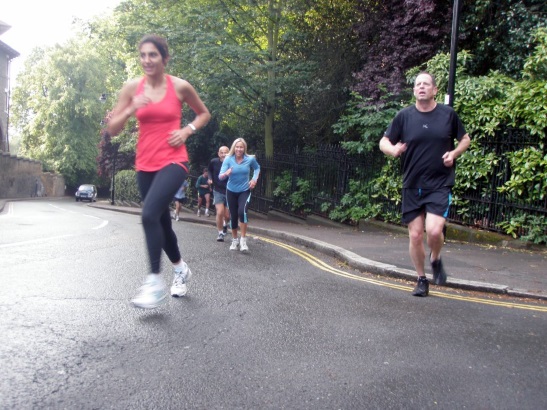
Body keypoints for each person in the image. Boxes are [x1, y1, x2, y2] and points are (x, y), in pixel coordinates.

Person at [106, 34, 211, 308]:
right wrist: (130, 109)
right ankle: (180, 268)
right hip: (145, 165)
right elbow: (113, 128)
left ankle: (154, 281)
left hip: (174, 161)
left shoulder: (180, 87)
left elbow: (203, 114)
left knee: (149, 214)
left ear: (164, 58)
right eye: (142, 55)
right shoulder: (132, 88)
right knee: (161, 223)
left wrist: (188, 130)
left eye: (152, 55)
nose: (146, 60)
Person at [379, 71, 471, 297]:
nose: (421, 87)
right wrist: (393, 150)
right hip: (412, 184)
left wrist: (454, 153)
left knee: (434, 230)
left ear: (434, 90)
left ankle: (436, 258)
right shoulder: (404, 116)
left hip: (440, 183)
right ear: (414, 91)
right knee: (416, 235)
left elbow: (465, 139)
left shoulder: (447, 115)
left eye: (426, 84)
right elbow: (384, 141)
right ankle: (421, 279)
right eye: (418, 84)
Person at [219, 138, 260, 252]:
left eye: (241, 147)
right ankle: (235, 239)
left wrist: (253, 180)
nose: (239, 149)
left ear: (244, 148)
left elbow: (257, 168)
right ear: (234, 148)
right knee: (233, 216)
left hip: (244, 190)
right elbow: (220, 176)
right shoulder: (228, 159)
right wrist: (226, 173)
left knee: (242, 212)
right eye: (237, 147)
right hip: (231, 191)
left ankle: (243, 240)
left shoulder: (249, 159)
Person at [208, 146, 231, 241]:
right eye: (221, 152)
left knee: (227, 216)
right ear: (218, 153)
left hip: (229, 191)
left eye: (225, 152)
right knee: (220, 212)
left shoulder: (231, 163)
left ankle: (225, 224)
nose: (223, 154)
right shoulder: (214, 162)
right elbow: (209, 170)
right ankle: (220, 233)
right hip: (217, 190)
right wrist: (210, 178)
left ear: (229, 153)